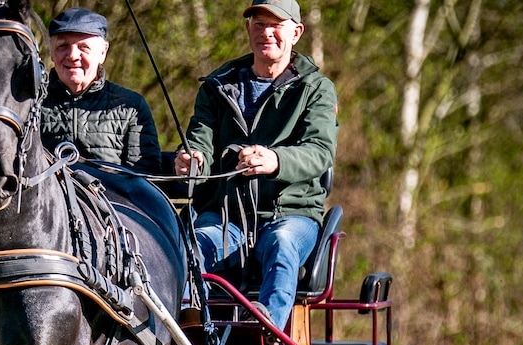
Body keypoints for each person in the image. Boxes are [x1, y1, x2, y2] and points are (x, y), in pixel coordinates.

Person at [173, 0, 337, 327]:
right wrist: (193, 160)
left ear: (296, 32)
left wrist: (275, 160)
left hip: (291, 213)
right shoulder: (217, 87)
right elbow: (200, 140)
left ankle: (268, 332)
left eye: (276, 24)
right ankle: (188, 335)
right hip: (225, 216)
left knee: (282, 244)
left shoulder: (316, 90)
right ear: (248, 29)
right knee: (193, 246)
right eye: (259, 24)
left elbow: (319, 151)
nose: (267, 33)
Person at [41, 7, 162, 173]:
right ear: (51, 53)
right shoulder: (31, 103)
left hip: (112, 197)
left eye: (83, 47)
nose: (72, 55)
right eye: (63, 46)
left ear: (103, 52)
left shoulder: (130, 107)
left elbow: (143, 179)